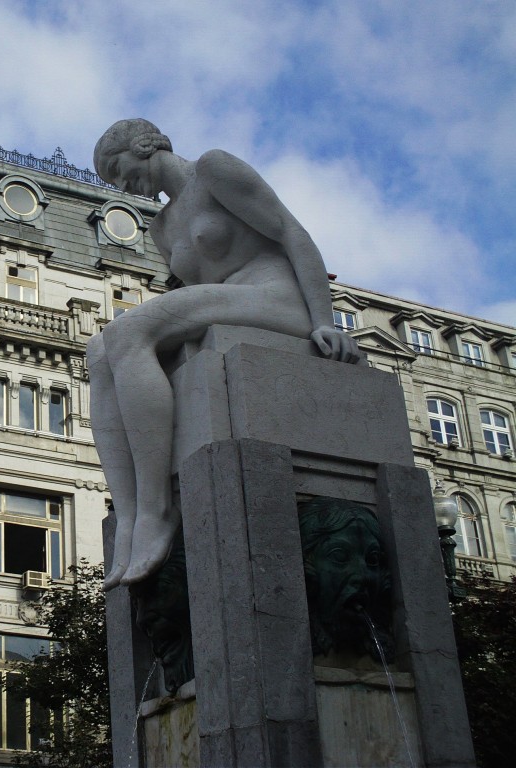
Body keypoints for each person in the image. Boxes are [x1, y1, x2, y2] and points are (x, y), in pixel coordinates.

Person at [89, 119, 362, 590]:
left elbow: (291, 232)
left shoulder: (213, 169)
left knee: (129, 331)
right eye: (112, 181)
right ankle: (129, 514)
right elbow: (196, 301)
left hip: (278, 299)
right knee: (99, 349)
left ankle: (156, 510)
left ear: (145, 144)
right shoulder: (161, 227)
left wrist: (324, 320)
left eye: (118, 170)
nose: (122, 185)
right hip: (232, 310)